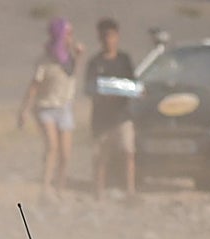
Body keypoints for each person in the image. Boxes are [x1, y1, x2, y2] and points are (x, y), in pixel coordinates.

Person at [18, 17, 85, 198]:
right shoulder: (45, 60)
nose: (70, 37)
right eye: (67, 34)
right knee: (52, 147)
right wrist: (24, 110)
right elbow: (34, 86)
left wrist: (79, 56)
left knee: (65, 153)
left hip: (65, 108)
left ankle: (60, 188)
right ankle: (45, 188)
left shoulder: (69, 59)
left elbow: (73, 75)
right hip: (46, 108)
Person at [85, 18, 138, 199]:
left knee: (128, 152)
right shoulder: (95, 62)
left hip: (122, 115)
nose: (108, 40)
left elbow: (133, 84)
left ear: (117, 36)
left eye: (111, 36)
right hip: (102, 118)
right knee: (101, 155)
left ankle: (130, 190)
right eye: (104, 36)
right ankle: (98, 191)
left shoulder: (124, 60)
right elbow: (89, 88)